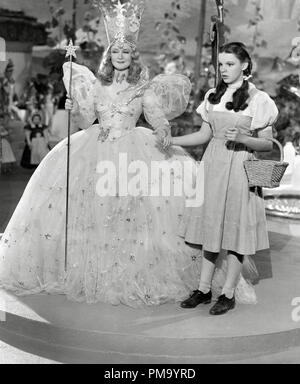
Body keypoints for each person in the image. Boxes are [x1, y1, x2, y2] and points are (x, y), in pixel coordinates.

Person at [0, 0, 202, 307]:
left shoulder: (141, 89)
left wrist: (163, 132)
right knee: (87, 207)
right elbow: (85, 121)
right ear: (110, 56)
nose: (120, 57)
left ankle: (129, 267)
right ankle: (85, 267)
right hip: (95, 147)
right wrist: (73, 108)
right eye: (116, 52)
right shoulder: (96, 86)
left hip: (133, 151)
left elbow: (158, 119)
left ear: (133, 57)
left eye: (126, 52)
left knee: (133, 209)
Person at [162, 42, 279, 315]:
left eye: (230, 64)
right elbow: (204, 136)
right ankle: (203, 289)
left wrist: (243, 138)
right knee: (210, 227)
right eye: (221, 64)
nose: (224, 69)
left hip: (240, 167)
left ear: (245, 65)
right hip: (212, 166)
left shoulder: (259, 99)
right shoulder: (213, 95)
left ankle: (227, 293)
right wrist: (171, 140)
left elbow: (268, 145)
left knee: (235, 231)